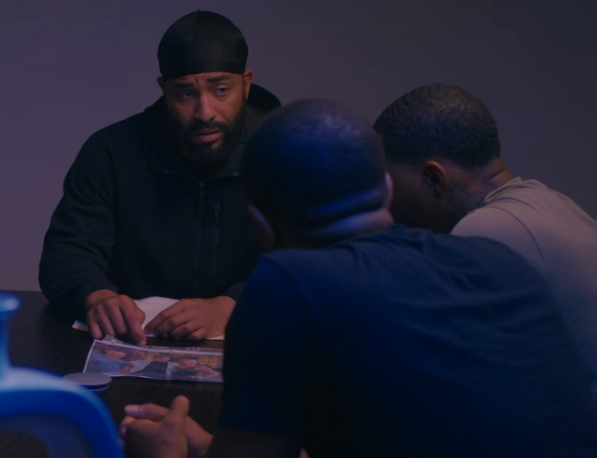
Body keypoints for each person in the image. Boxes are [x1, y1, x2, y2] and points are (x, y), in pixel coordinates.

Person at [119, 100, 597, 457]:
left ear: (262, 227)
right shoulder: (500, 263)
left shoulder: (289, 284)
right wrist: (212, 448)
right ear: (386, 189)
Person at [39, 10, 281, 345]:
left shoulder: (285, 150)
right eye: (185, 94)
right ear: (163, 89)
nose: (205, 112)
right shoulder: (110, 152)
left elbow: (313, 255)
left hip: (255, 341)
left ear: (246, 84)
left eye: (221, 90)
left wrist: (233, 305)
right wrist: (96, 296)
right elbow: (67, 251)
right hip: (136, 342)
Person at [375, 83, 597, 398]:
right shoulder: (550, 202)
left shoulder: (485, 232)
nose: (387, 202)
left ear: (434, 178)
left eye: (390, 184)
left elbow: (445, 370)